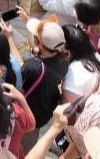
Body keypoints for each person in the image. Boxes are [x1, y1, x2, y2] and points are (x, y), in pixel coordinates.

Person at [17, 14, 69, 149]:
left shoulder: (33, 67)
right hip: (42, 114)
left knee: (22, 151)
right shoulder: (64, 59)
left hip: (26, 119)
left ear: (39, 44)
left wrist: (10, 40)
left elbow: (18, 76)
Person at [61, 24, 100, 103]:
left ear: (67, 50)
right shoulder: (95, 56)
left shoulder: (74, 73)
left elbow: (68, 110)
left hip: (93, 113)